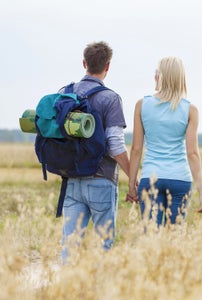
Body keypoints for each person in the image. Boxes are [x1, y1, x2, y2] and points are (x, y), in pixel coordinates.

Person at [61, 41, 132, 264]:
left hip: (71, 179)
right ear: (108, 66)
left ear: (84, 63)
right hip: (102, 180)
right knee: (104, 245)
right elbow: (116, 145)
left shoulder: (65, 93)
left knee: (70, 246)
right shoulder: (110, 98)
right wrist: (133, 177)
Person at [127, 56, 202, 227]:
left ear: (161, 76)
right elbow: (192, 153)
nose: (154, 76)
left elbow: (136, 149)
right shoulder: (190, 109)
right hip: (180, 180)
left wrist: (131, 184)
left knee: (151, 239)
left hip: (151, 178)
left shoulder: (142, 105)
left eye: (157, 72)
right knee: (174, 238)